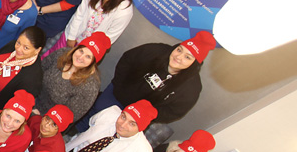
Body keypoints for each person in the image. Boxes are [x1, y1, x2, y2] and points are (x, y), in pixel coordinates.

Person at [84, 30, 217, 128]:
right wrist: (119, 86)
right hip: (116, 96)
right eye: (179, 50)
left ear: (195, 64)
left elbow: (175, 111)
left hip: (136, 118)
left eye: (188, 57)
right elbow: (128, 59)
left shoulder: (191, 88)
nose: (179, 57)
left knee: (106, 134)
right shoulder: (156, 51)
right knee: (92, 117)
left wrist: (148, 114)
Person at [67, 100, 157, 152]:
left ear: (140, 128)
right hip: (72, 151)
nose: (122, 125)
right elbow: (92, 122)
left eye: (132, 124)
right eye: (123, 117)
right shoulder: (110, 113)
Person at [37, 32, 109, 124]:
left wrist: (41, 116)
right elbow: (40, 70)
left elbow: (69, 115)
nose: (81, 57)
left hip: (48, 119)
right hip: (32, 97)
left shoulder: (90, 87)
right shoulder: (62, 53)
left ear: (93, 62)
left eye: (88, 57)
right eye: (81, 51)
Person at [0, 26, 46, 110]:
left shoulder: (32, 79)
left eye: (26, 48)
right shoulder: (12, 46)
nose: (18, 49)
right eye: (18, 43)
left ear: (37, 50)